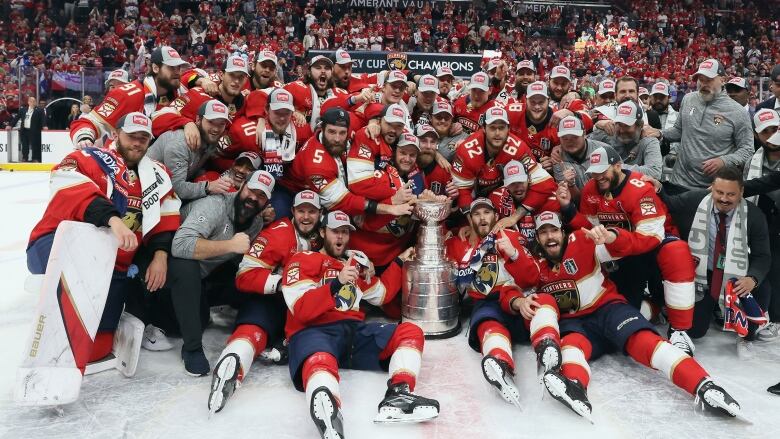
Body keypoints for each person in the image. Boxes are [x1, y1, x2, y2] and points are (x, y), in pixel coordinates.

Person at [502, 212, 743, 420]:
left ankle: (704, 385)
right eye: (543, 233)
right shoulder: (534, 262)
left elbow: (621, 246)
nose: (549, 237)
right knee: (571, 349)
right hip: (573, 324)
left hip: (607, 310)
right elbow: (513, 285)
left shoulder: (583, 241)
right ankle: (574, 386)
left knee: (645, 341)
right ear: (537, 238)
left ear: (563, 232)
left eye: (553, 230)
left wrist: (611, 235)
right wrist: (518, 298)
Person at [26, 112, 180, 374]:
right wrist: (112, 219)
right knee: (67, 340)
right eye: (132, 136)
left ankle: (111, 316)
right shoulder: (87, 157)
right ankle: (59, 318)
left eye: (144, 138)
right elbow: (65, 186)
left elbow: (168, 214)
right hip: (56, 244)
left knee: (98, 349)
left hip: (113, 266)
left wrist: (161, 254)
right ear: (116, 134)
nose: (137, 143)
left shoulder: (158, 174)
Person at [281, 211, 439, 437]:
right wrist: (336, 283)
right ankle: (330, 413)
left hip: (352, 335)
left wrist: (398, 261)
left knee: (410, 331)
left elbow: (381, 294)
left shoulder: (353, 266)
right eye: (335, 231)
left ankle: (399, 394)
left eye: (345, 232)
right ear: (323, 231)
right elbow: (302, 310)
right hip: (314, 330)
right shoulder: (302, 259)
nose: (341, 238)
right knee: (320, 359)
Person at [557, 145, 697, 356]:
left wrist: (614, 237)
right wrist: (569, 209)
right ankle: (653, 304)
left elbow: (649, 238)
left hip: (654, 241)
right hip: (623, 249)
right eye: (593, 172)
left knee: (676, 251)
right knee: (584, 250)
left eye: (603, 171)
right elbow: (589, 228)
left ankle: (679, 330)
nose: (598, 177)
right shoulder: (590, 190)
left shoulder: (640, 188)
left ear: (618, 165)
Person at [208, 190, 323, 414]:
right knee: (254, 325)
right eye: (301, 211)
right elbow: (244, 277)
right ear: (292, 211)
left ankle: (291, 348)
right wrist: (282, 283)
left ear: (321, 213)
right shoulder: (277, 234)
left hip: (305, 306)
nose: (306, 217)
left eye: (312, 211)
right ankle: (233, 361)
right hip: (273, 298)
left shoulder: (326, 233)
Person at [153, 170, 274, 376]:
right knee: (186, 266)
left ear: (267, 203)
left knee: (241, 279)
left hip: (200, 277)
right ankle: (191, 348)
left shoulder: (256, 223)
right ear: (242, 185)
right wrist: (230, 245)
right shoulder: (215, 205)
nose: (254, 198)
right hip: (165, 269)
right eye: (251, 190)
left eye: (261, 196)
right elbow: (180, 246)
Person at [653, 167, 770, 349]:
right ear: (711, 188)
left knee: (762, 291)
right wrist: (658, 188)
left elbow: (762, 256)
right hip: (703, 276)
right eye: (719, 192)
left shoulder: (754, 215)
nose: (724, 199)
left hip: (735, 277)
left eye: (731, 194)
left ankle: (746, 327)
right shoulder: (696, 199)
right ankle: (712, 306)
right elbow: (669, 203)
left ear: (742, 192)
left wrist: (752, 279)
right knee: (695, 331)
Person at [446, 198, 543, 407]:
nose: (482, 218)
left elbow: (534, 277)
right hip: (486, 304)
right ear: (470, 219)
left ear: (496, 217)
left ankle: (549, 354)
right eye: (477, 214)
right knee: (486, 323)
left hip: (517, 298)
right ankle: (499, 362)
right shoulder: (456, 244)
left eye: (487, 213)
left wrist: (514, 254)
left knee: (541, 309)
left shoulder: (511, 237)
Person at [646, 59, 754, 193]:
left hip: (711, 189)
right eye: (700, 80)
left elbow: (748, 149)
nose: (703, 84)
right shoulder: (688, 99)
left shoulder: (737, 112)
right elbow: (679, 131)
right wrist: (660, 133)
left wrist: (724, 161)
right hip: (679, 182)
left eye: (708, 80)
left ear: (723, 80)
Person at [286, 107, 413, 218]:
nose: (337, 139)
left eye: (342, 133)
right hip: (299, 191)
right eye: (331, 132)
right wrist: (389, 206)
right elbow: (345, 202)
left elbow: (369, 107)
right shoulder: (316, 167)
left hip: (336, 177)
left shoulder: (348, 124)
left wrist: (373, 122)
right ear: (322, 128)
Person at [70, 46, 198, 148]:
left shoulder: (181, 92)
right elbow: (91, 122)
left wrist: (202, 80)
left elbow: (192, 77)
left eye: (179, 67)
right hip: (126, 165)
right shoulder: (127, 94)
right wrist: (85, 138)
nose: (177, 72)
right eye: (171, 67)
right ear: (155, 68)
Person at [451, 106, 556, 216]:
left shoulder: (518, 148)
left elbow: (545, 182)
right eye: (492, 127)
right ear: (483, 128)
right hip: (475, 196)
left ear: (508, 129)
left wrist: (515, 217)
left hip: (506, 195)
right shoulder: (467, 150)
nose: (497, 133)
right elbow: (463, 191)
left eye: (501, 128)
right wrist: (472, 222)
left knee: (551, 197)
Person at [146, 99, 231, 201]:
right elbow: (176, 189)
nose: (216, 129)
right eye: (211, 122)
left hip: (159, 193)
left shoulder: (210, 140)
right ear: (198, 120)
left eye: (221, 124)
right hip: (144, 189)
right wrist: (208, 186)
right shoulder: (180, 143)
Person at [744, 110, 780, 341]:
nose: (770, 135)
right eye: (764, 131)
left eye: (774, 129)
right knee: (771, 269)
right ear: (757, 135)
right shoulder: (752, 161)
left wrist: (740, 187)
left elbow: (765, 183)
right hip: (763, 222)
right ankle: (771, 315)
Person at [12, 96, 45, 162]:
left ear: (35, 102)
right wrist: (10, 125)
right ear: (28, 102)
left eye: (34, 101)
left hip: (34, 131)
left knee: (35, 145)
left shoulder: (39, 110)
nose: (32, 103)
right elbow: (16, 118)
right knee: (24, 145)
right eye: (31, 101)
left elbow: (43, 120)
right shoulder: (23, 110)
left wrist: (44, 126)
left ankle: (35, 158)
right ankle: (25, 158)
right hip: (24, 130)